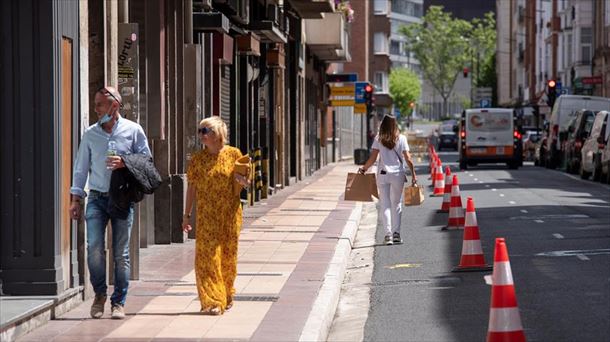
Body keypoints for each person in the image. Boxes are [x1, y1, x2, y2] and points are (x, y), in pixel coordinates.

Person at [69, 86, 151, 319]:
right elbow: (80, 168)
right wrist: (76, 199)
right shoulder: (90, 134)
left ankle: (119, 302)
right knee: (94, 248)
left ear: (114, 106)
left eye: (99, 104)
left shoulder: (133, 130)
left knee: (120, 254)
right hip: (95, 197)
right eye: (95, 104)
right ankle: (99, 294)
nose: (95, 109)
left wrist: (125, 162)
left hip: (122, 198)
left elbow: (147, 160)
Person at [181, 116, 249, 315]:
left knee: (228, 258)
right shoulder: (198, 160)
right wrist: (186, 215)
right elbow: (191, 188)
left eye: (205, 130)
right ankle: (213, 300)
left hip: (229, 216)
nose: (201, 134)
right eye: (200, 130)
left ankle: (226, 293)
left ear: (218, 134)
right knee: (207, 258)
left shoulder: (234, 154)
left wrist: (242, 180)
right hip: (206, 218)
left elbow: (246, 182)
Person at [358, 115, 417, 245]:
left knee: (385, 204)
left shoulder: (378, 139)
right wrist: (413, 175)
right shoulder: (401, 138)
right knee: (396, 203)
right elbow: (408, 158)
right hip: (398, 175)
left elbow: (373, 158)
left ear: (383, 125)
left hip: (383, 174)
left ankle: (388, 235)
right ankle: (396, 234)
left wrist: (363, 169)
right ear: (395, 125)